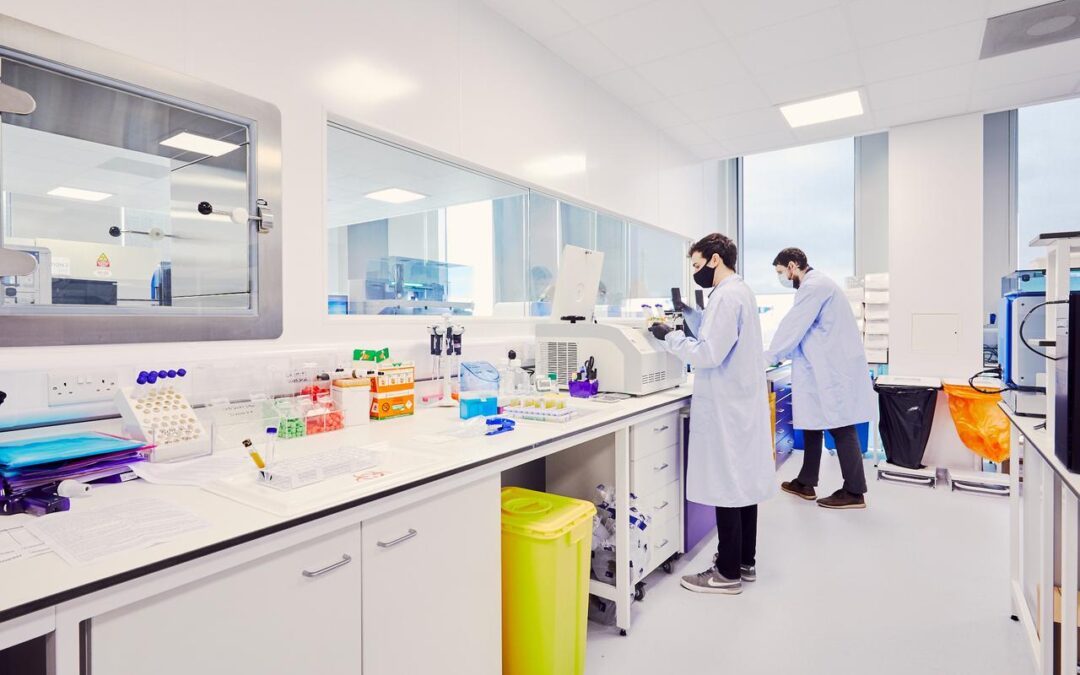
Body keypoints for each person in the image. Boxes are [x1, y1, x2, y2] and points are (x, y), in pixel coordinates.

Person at [649, 233, 775, 595]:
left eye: (696, 264)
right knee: (743, 485)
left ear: (715, 259)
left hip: (726, 407)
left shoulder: (726, 296)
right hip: (739, 403)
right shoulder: (740, 292)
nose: (695, 271)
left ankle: (726, 573)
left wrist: (668, 337)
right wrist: (690, 318)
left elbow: (707, 354)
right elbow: (719, 336)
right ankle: (745, 562)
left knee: (726, 485)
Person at [765, 248, 875, 510]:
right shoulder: (817, 285)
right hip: (820, 366)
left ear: (792, 266)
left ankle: (854, 490)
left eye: (781, 273)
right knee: (812, 420)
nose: (782, 278)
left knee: (840, 424)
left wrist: (768, 357)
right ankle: (806, 481)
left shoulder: (813, 287)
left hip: (831, 369)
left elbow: (793, 326)